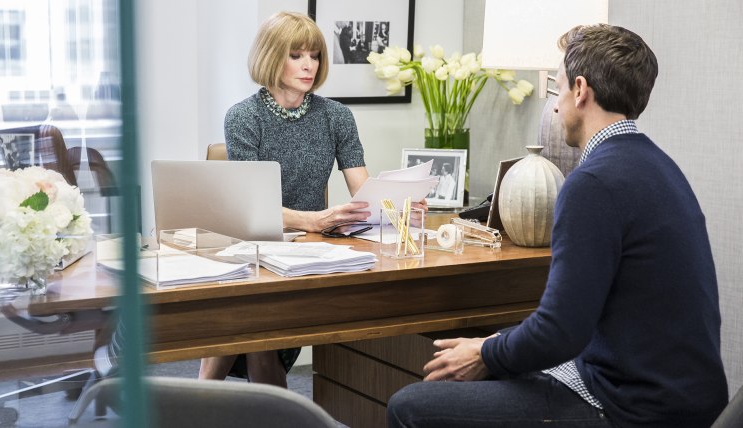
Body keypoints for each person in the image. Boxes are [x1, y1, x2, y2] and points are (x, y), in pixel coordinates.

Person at [387, 24, 728, 428]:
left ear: (581, 90)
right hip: (684, 395)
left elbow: (560, 332)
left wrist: (484, 352)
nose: (554, 105)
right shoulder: (658, 165)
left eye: (559, 87)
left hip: (632, 407)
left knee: (408, 407)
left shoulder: (593, 184)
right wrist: (493, 346)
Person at [199, 11, 425, 388]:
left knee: (261, 334)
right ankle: (203, 404)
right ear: (272, 57)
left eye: (315, 55)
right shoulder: (243, 116)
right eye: (296, 55)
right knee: (252, 320)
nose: (308, 65)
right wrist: (313, 220)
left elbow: (362, 192)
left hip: (307, 249)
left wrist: (400, 207)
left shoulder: (336, 116)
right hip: (250, 242)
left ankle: (238, 404)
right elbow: (251, 206)